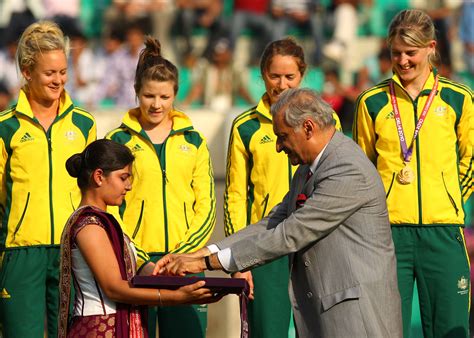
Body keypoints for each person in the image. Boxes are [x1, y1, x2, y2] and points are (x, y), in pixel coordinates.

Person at [156, 88, 403, 337]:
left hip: (356, 318)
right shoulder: (310, 168)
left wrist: (208, 263)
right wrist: (204, 252)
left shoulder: (346, 169)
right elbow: (274, 221)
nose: (278, 146)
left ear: (308, 127)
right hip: (331, 313)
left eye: (282, 136)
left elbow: (291, 233)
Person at [353, 9, 473, 338]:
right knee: (384, 330)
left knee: (452, 330)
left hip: (443, 231)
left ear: (431, 48)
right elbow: (361, 169)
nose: (403, 61)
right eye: (396, 53)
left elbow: (471, 158)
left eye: (411, 52)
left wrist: (448, 196)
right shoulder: (371, 103)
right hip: (388, 234)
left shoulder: (458, 99)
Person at [224, 37, 341, 338]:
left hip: (314, 244)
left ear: (303, 76)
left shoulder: (327, 121)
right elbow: (235, 196)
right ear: (262, 74)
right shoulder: (245, 126)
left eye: (290, 76)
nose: (282, 84)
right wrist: (239, 259)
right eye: (274, 75)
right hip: (266, 249)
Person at [106, 36, 216, 338]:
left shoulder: (193, 141)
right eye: (149, 95)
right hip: (137, 264)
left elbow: (206, 206)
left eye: (164, 97)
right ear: (136, 92)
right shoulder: (119, 141)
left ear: (175, 95)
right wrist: (139, 258)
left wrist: (185, 255)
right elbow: (108, 208)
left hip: (187, 261)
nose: (156, 104)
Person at [58, 139, 219, 337]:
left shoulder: (104, 221)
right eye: (123, 178)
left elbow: (126, 274)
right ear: (99, 177)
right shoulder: (90, 225)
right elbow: (114, 288)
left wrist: (164, 275)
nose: (129, 186)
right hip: (99, 328)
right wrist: (174, 297)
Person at [0, 21, 97, 338]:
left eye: (63, 72)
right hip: (20, 253)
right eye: (49, 73)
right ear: (27, 72)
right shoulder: (6, 127)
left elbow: (95, 193)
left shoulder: (84, 124)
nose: (58, 80)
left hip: (73, 250)